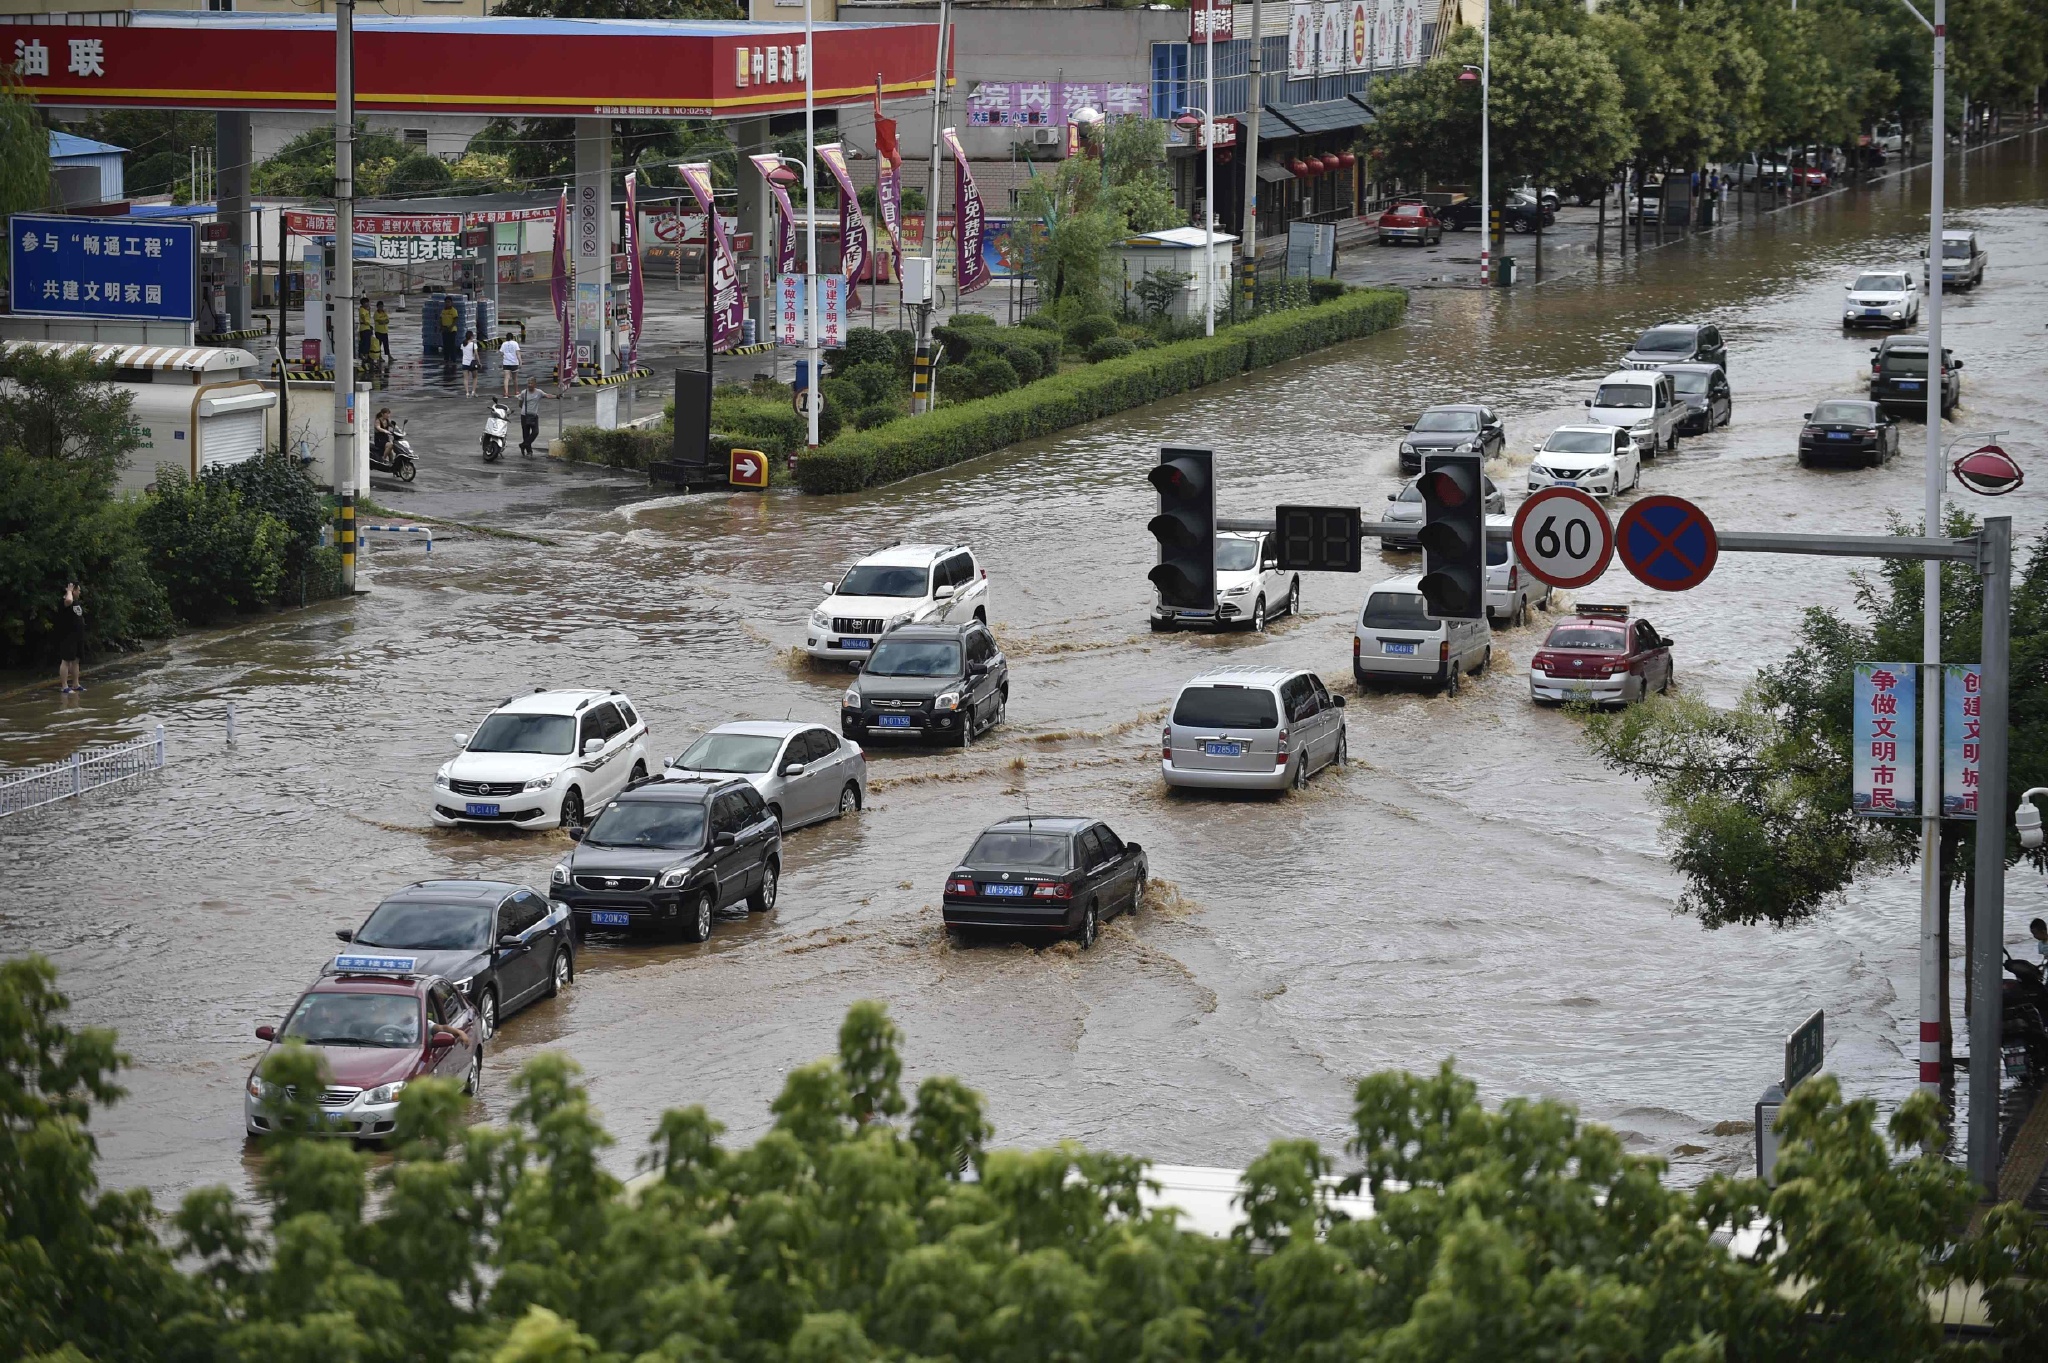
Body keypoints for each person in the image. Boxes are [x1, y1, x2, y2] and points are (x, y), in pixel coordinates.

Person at [56, 582, 85, 695]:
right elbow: (68, 601)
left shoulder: (76, 602)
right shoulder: (65, 601)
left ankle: (76, 684)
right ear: (72, 590)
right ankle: (64, 686)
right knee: (66, 660)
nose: (80, 592)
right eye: (78, 590)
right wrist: (69, 591)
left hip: (78, 635)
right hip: (68, 636)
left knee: (76, 660)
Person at [516, 376, 556, 456]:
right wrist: (525, 410)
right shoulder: (524, 392)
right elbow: (520, 404)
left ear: (535, 384)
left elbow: (547, 395)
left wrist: (557, 396)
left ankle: (523, 445)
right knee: (525, 434)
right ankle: (529, 451)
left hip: (534, 416)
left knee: (535, 432)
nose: (529, 385)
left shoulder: (539, 392)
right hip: (524, 416)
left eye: (531, 383)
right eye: (528, 383)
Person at [499, 332, 522, 396]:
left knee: (506, 378)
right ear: (512, 337)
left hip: (506, 363)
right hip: (514, 363)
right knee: (515, 378)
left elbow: (501, 353)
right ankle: (516, 392)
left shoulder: (504, 344)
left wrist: (504, 356)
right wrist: (520, 362)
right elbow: (518, 353)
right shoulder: (515, 343)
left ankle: (506, 392)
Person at [459, 330, 480, 397]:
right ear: (471, 337)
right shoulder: (474, 345)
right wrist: (479, 362)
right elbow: (476, 354)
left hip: (464, 363)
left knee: (466, 378)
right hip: (472, 363)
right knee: (475, 377)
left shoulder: (463, 344)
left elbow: (463, 353)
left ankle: (467, 393)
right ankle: (473, 392)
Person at [438, 300, 459, 365]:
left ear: (451, 303)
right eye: (446, 302)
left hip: (452, 330)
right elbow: (441, 319)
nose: (447, 303)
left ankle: (453, 359)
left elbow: (455, 320)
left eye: (448, 302)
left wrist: (451, 327)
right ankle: (446, 359)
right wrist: (441, 327)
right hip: (445, 330)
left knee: (451, 345)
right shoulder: (443, 311)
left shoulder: (453, 311)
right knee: (445, 345)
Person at [373, 301, 391, 370]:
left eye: (382, 306)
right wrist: (384, 321)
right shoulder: (376, 314)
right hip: (379, 331)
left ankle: (389, 356)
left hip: (385, 331)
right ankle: (379, 357)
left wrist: (383, 321)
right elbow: (379, 322)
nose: (381, 308)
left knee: (386, 344)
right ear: (377, 307)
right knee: (379, 345)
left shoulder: (384, 312)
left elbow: (387, 320)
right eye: (380, 307)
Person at [357, 300, 374, 368]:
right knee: (365, 343)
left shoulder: (366, 309)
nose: (367, 304)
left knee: (367, 343)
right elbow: (363, 316)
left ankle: (365, 356)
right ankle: (364, 356)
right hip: (364, 328)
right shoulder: (362, 309)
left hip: (367, 327)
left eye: (368, 302)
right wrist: (365, 322)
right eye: (366, 302)